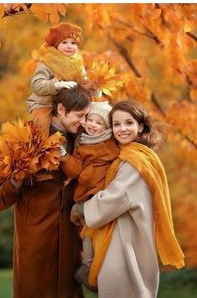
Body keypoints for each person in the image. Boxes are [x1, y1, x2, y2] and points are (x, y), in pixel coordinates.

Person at [71, 99, 185, 298]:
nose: (122, 129)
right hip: (127, 237)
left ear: (140, 126)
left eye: (128, 123)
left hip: (126, 244)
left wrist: (80, 209)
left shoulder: (135, 161)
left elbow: (114, 198)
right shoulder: (129, 155)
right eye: (116, 124)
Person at [0, 85, 91, 298]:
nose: (84, 122)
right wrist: (17, 179)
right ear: (61, 109)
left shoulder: (83, 140)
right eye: (80, 116)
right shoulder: (24, 138)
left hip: (71, 248)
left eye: (87, 116)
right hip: (35, 250)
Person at [60, 101, 119, 289]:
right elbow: (75, 170)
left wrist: (87, 173)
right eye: (90, 120)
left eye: (99, 122)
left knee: (93, 232)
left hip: (98, 195)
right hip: (86, 195)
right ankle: (88, 265)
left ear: (106, 128)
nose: (93, 125)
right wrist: (63, 156)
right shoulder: (83, 144)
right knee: (86, 233)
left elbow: (110, 163)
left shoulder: (110, 145)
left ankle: (92, 267)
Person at [27, 22, 87, 137]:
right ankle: (40, 149)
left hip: (69, 102)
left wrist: (91, 87)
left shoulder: (78, 62)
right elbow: (36, 85)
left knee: (89, 118)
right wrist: (56, 85)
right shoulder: (47, 62)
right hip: (45, 103)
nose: (69, 46)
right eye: (64, 42)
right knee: (41, 128)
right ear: (56, 45)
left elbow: (82, 80)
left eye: (73, 43)